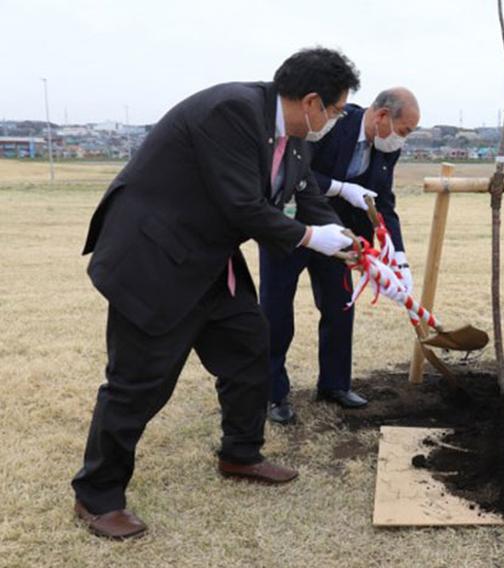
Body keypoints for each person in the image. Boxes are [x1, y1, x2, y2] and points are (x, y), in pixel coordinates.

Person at [71, 47, 360, 539]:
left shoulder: (293, 137)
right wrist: (311, 239)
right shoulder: (232, 112)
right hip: (155, 259)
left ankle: (240, 454)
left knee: (249, 347)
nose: (333, 122)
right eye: (334, 112)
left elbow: (306, 193)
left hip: (209, 260)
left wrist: (345, 240)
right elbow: (241, 205)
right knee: (139, 382)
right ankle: (97, 495)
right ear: (311, 101)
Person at [260, 88, 420, 422]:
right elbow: (294, 169)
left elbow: (383, 201)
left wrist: (399, 256)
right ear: (381, 117)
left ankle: (334, 384)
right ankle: (272, 393)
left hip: (341, 236)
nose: (402, 140)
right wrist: (341, 188)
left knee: (340, 305)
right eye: (403, 131)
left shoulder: (387, 146)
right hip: (294, 226)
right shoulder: (331, 122)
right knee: (276, 311)